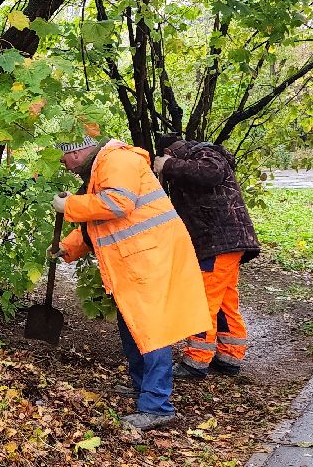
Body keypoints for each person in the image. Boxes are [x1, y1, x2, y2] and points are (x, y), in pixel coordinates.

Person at [49, 135, 210, 432]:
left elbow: (117, 205)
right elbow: (100, 223)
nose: (64, 164)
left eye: (65, 156)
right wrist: (68, 247)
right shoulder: (102, 168)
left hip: (151, 260)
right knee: (133, 327)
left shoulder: (117, 160)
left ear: (76, 151)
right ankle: (142, 388)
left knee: (152, 332)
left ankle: (157, 406)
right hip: (138, 261)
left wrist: (70, 204)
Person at [152, 133, 260, 379]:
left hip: (217, 242)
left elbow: (211, 172)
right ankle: (229, 356)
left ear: (169, 152)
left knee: (203, 300)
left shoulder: (204, 154)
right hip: (225, 243)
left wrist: (167, 166)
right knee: (224, 301)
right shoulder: (193, 161)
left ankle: (196, 361)